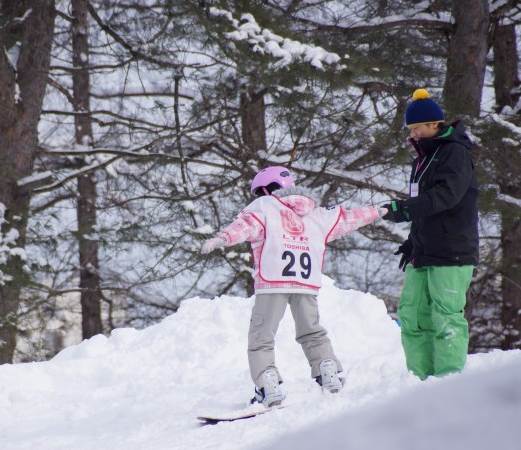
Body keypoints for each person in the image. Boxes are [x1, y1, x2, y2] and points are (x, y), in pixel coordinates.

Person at [201, 166, 385, 407]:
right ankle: (327, 370)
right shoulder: (317, 213)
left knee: (261, 337)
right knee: (312, 330)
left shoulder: (265, 207)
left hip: (273, 281)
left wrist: (223, 238)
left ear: (268, 190)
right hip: (306, 283)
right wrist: (379, 210)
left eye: (260, 192)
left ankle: (268, 386)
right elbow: (349, 218)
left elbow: (246, 226)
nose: (259, 197)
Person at [382, 88, 479, 380]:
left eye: (417, 127)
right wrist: (413, 241)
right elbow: (427, 208)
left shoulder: (455, 153)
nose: (413, 133)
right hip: (424, 251)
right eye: (410, 128)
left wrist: (405, 209)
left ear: (435, 124)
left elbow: (445, 196)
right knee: (411, 315)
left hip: (452, 251)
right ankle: (419, 379)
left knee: (446, 316)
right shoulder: (423, 159)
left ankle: (448, 381)